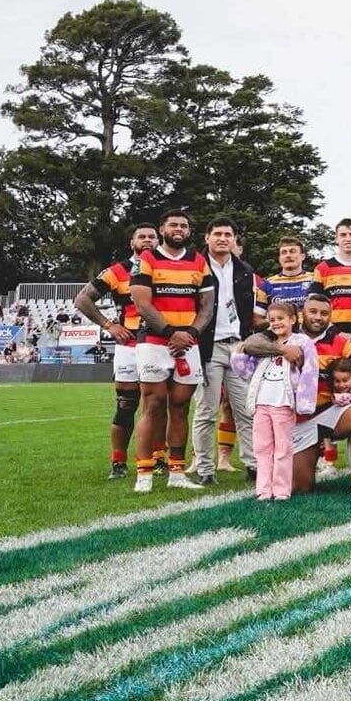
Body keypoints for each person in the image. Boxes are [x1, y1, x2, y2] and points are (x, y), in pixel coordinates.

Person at [129, 210, 216, 492]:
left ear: (189, 231)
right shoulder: (147, 259)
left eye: (184, 226)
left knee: (180, 407)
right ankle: (144, 473)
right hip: (155, 342)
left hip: (188, 343)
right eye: (173, 225)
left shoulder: (198, 261)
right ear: (162, 228)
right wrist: (170, 333)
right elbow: (142, 303)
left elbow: (207, 306)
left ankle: (177, 472)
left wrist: (190, 334)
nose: (179, 229)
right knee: (153, 405)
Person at [76, 222, 157, 479]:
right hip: (129, 345)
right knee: (126, 405)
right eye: (141, 237)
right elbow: (82, 299)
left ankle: (159, 459)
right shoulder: (118, 271)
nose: (147, 240)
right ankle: (118, 463)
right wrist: (109, 325)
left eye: (152, 237)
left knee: (158, 404)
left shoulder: (165, 268)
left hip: (158, 344)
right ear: (131, 243)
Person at [192, 218, 265, 485]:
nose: (223, 238)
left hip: (237, 346)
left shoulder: (244, 270)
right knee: (206, 410)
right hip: (208, 346)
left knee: (246, 410)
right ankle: (205, 468)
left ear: (234, 239)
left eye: (228, 234)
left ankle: (254, 464)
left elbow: (250, 312)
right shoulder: (196, 265)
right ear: (207, 237)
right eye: (218, 234)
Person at [291, 291, 351, 495]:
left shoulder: (340, 342)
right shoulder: (287, 336)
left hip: (329, 412)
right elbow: (255, 344)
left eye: (324, 313)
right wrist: (282, 350)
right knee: (300, 487)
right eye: (312, 311)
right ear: (301, 313)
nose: (318, 317)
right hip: (297, 420)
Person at [229, 299, 317, 502]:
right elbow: (246, 371)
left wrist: (305, 402)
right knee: (262, 448)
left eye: (281, 319)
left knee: (283, 448)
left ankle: (281, 490)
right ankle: (263, 490)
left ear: (293, 319)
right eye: (272, 320)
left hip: (283, 403)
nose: (276, 323)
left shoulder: (302, 342)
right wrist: (238, 355)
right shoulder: (265, 344)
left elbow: (310, 371)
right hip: (261, 403)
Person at [313, 218, 351, 337]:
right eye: (343, 235)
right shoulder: (323, 268)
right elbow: (314, 307)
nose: (348, 239)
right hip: (332, 337)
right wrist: (337, 333)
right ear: (336, 238)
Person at [264, 236, 317, 312]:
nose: (288, 255)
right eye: (284, 252)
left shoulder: (315, 279)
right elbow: (259, 318)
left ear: (303, 256)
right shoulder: (268, 283)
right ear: (279, 258)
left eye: (292, 251)